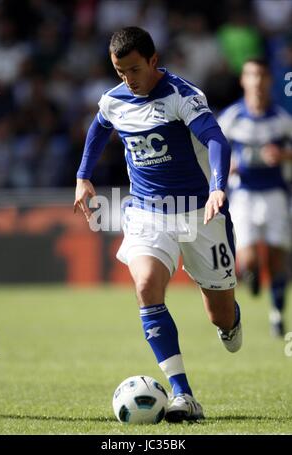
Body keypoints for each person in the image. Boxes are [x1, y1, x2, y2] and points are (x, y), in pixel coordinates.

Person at [74, 26, 242, 422]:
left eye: (134, 69)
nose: (128, 80)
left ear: (153, 61)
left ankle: (231, 322)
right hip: (148, 212)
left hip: (200, 211)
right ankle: (183, 393)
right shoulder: (114, 100)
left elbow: (217, 139)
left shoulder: (183, 96)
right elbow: (99, 128)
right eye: (120, 72)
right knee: (146, 285)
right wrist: (84, 175)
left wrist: (219, 187)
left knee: (221, 314)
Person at [218, 58, 292, 337]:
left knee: (277, 259)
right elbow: (211, 149)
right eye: (251, 75)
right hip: (244, 196)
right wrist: (226, 165)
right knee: (248, 260)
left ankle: (277, 315)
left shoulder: (282, 121)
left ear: (269, 80)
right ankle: (251, 275)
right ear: (243, 81)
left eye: (262, 75)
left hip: (275, 195)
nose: (257, 81)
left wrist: (284, 155)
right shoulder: (232, 117)